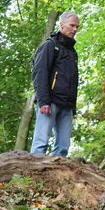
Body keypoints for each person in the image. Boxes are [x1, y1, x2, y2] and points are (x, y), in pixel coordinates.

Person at [30, 12, 80, 156]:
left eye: (77, 26)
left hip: (67, 106)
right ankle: (33, 177)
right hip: (49, 102)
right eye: (72, 25)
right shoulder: (50, 45)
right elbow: (39, 73)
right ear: (61, 24)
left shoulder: (72, 53)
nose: (75, 29)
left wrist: (73, 108)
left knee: (63, 147)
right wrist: (43, 100)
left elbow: (73, 81)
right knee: (41, 144)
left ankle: (56, 178)